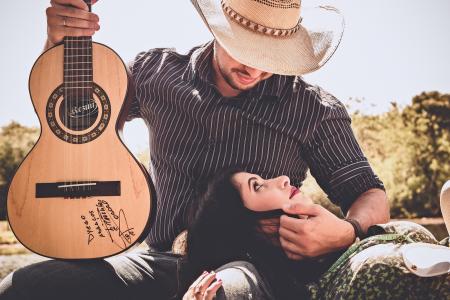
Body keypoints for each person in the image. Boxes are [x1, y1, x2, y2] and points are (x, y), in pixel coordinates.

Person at [0, 0, 392, 299]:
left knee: (224, 291)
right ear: (219, 27)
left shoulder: (315, 110)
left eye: (270, 58)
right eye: (246, 50)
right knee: (24, 285)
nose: (256, 69)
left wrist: (347, 230)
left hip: (248, 268)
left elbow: (368, 193)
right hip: (153, 259)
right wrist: (60, 45)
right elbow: (77, 125)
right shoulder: (154, 72)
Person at [184, 169, 450, 299]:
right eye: (259, 186)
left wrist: (349, 231)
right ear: (259, 228)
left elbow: (371, 191)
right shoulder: (349, 282)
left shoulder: (341, 257)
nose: (284, 179)